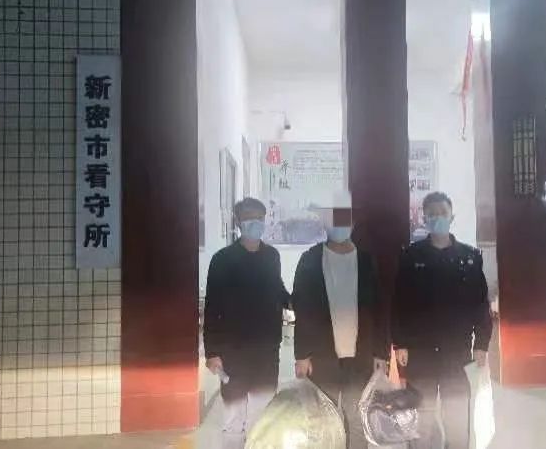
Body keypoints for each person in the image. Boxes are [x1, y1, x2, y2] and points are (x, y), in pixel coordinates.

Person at [392, 191, 493, 449]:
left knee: (457, 420)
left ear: (452, 217)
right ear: (424, 218)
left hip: (457, 353)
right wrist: (399, 343)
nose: (437, 218)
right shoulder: (411, 257)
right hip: (420, 353)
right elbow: (399, 303)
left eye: (443, 213)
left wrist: (482, 344)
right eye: (432, 214)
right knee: (421, 421)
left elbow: (480, 304)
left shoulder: (469, 258)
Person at [292, 191, 389, 449]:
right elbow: (302, 310)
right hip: (321, 356)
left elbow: (380, 310)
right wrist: (301, 355)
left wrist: (381, 352)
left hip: (361, 356)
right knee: (324, 421)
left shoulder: (366, 261)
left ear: (353, 222)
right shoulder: (310, 260)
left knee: (357, 419)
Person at [203, 198, 290, 449]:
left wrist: (297, 302)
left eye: (260, 218)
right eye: (250, 218)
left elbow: (278, 290)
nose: (256, 223)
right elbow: (212, 308)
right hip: (233, 352)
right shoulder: (222, 259)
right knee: (234, 419)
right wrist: (212, 352)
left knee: (264, 417)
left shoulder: (271, 256)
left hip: (266, 351)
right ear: (239, 222)